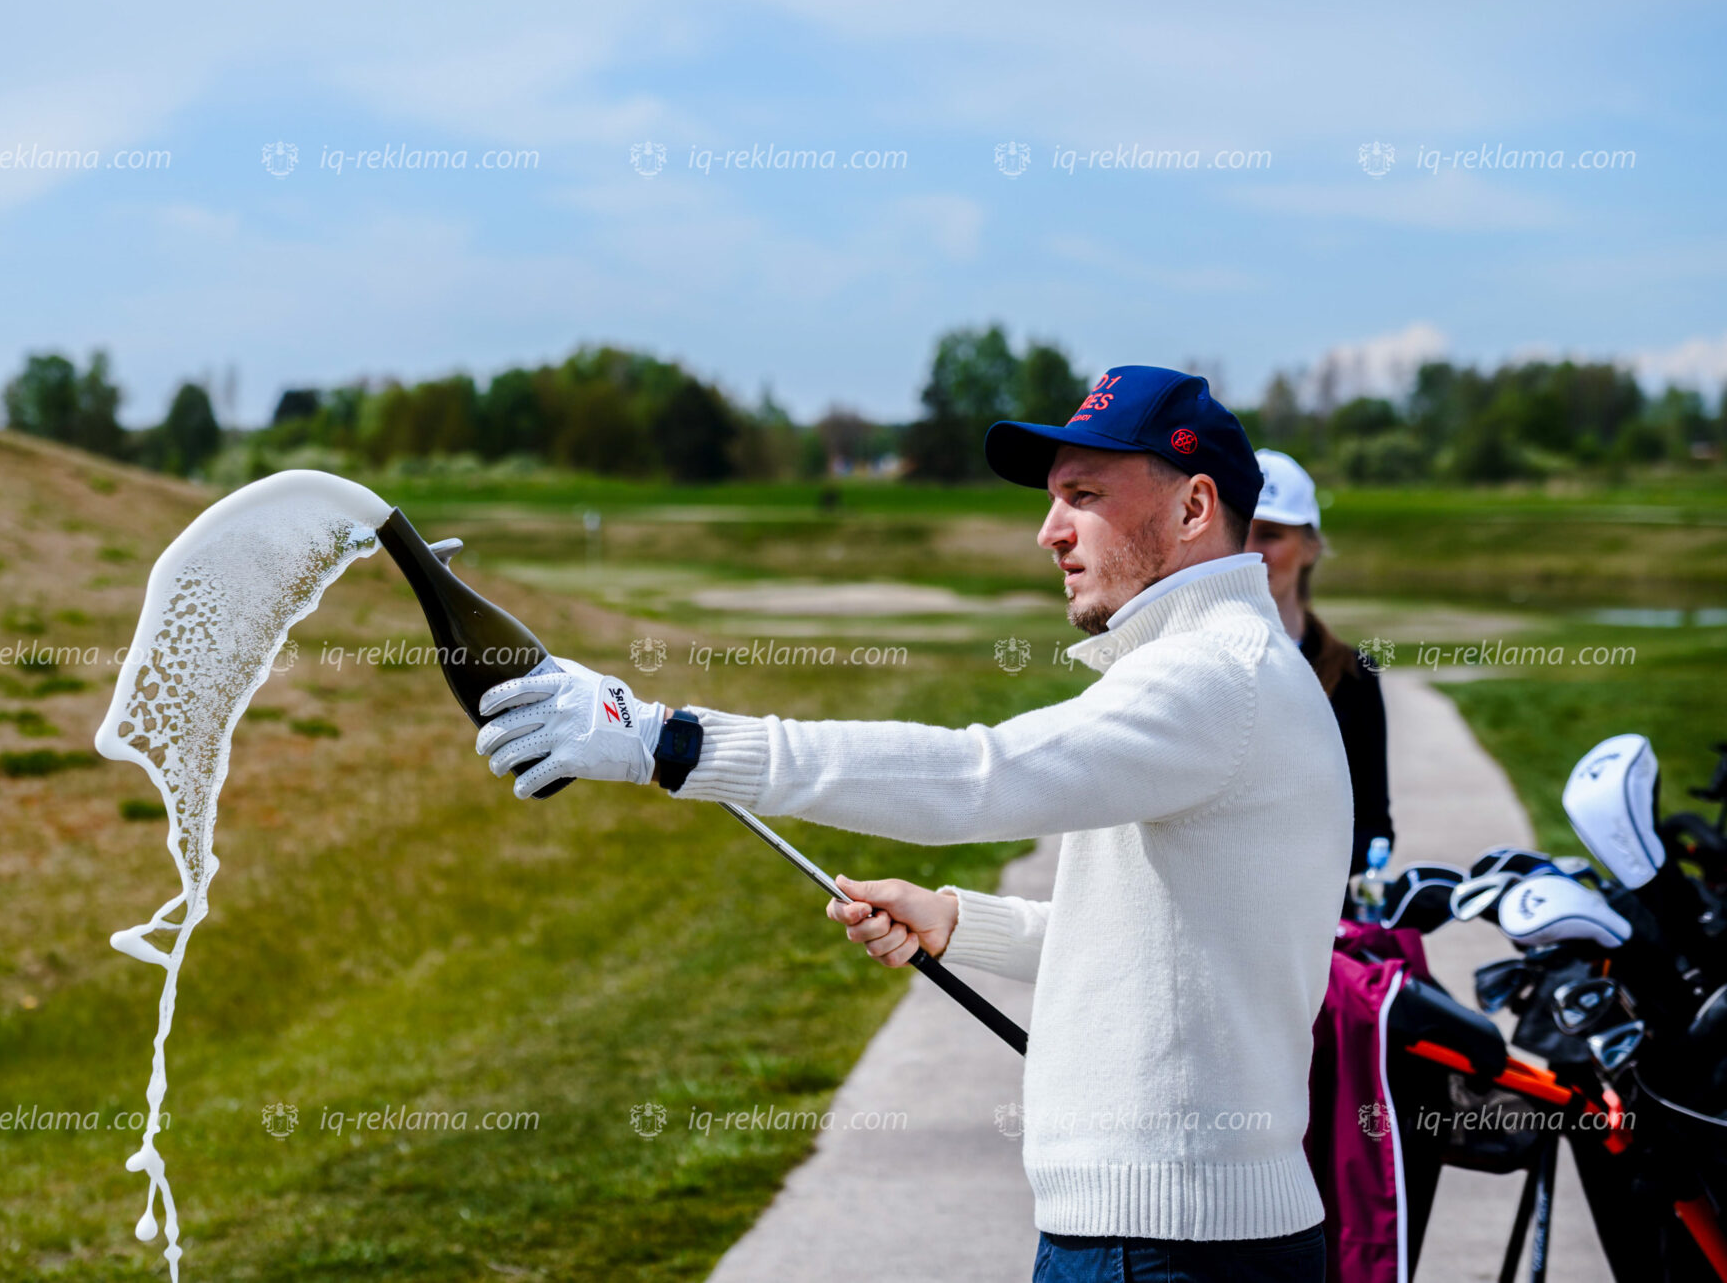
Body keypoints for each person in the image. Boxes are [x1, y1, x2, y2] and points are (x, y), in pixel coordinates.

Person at [474, 367, 1350, 1283]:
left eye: (1082, 496)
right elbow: (1164, 950)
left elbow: (978, 775)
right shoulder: (1227, 669)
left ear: (1193, 505)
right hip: (1180, 1236)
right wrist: (960, 922)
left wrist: (666, 741)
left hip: (1172, 1248)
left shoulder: (1215, 676)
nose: (1049, 532)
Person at [1246, 450, 1394, 877]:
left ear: (1310, 547)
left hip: (1311, 920)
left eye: (1270, 534)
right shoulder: (1182, 659)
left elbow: (1372, 826)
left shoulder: (1352, 674)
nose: (1251, 552)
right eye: (1238, 531)